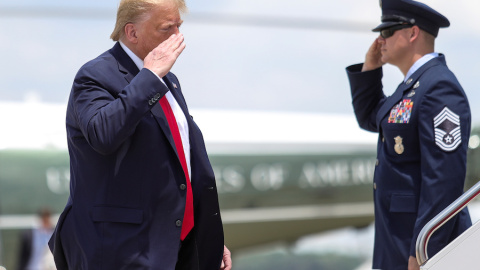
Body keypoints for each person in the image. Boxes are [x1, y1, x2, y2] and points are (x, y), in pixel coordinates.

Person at [48, 0, 232, 269]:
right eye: (167, 28)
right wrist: (150, 75)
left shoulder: (169, 81)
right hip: (120, 251)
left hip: (172, 248)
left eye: (179, 27)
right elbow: (103, 135)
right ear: (132, 32)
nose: (177, 38)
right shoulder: (95, 75)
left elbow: (180, 165)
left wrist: (205, 238)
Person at [345, 0, 471, 269]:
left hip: (420, 249)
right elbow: (372, 119)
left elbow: (444, 179)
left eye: (388, 32)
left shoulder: (438, 87)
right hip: (397, 243)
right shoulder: (412, 87)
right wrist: (370, 70)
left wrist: (425, 251)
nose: (380, 40)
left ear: (412, 33)